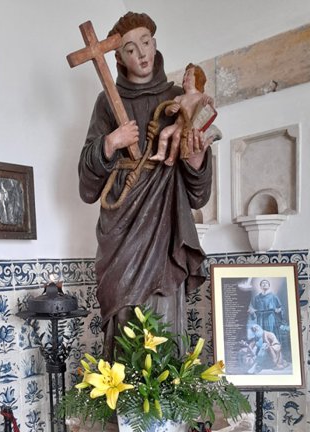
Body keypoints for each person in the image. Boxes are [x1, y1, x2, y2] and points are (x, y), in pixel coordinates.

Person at [78, 11, 213, 358]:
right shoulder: (107, 102)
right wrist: (111, 142)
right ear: (119, 59)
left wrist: (197, 158)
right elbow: (88, 184)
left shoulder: (176, 98)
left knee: (163, 312)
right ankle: (118, 390)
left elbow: (198, 194)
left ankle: (167, 392)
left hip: (165, 222)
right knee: (123, 308)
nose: (141, 54)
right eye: (129, 49)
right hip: (122, 227)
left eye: (146, 42)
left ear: (155, 43)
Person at [150, 63, 221, 166]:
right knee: (164, 133)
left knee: (176, 136)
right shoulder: (180, 98)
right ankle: (160, 154)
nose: (185, 77)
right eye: (184, 74)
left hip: (187, 127)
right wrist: (170, 109)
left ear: (198, 79)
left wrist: (209, 101)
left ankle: (171, 158)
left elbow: (209, 106)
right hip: (177, 124)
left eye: (189, 74)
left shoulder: (200, 96)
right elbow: (167, 111)